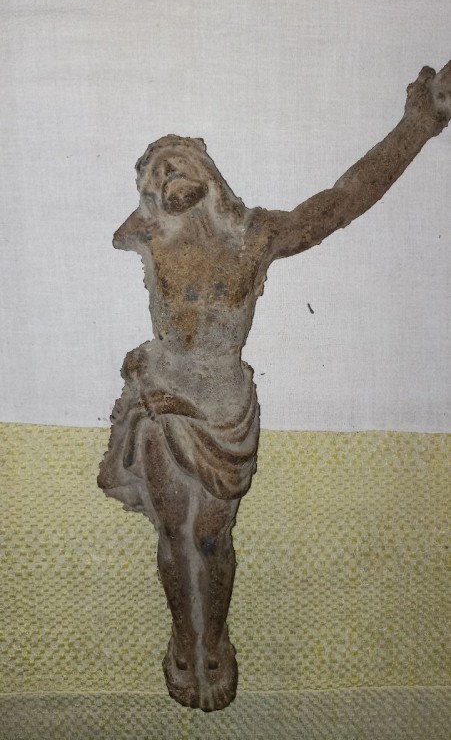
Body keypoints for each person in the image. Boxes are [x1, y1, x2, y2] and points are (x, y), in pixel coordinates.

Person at [98, 62, 451, 711]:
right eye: (153, 172)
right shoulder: (147, 237)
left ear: (207, 172)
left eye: (176, 162)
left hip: (223, 415)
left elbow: (338, 204)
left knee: (212, 537)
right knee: (171, 534)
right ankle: (183, 642)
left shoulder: (254, 239)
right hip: (161, 407)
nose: (166, 172)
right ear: (146, 199)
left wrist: (416, 125)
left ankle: (213, 641)